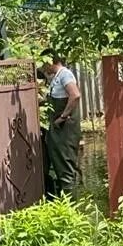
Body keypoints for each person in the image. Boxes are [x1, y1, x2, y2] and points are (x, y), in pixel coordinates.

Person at [41, 48, 82, 199]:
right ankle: (63, 205)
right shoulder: (56, 77)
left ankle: (71, 210)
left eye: (45, 63)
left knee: (66, 170)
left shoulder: (65, 74)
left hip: (66, 131)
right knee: (59, 167)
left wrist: (63, 117)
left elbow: (75, 95)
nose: (43, 67)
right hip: (58, 132)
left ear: (51, 61)